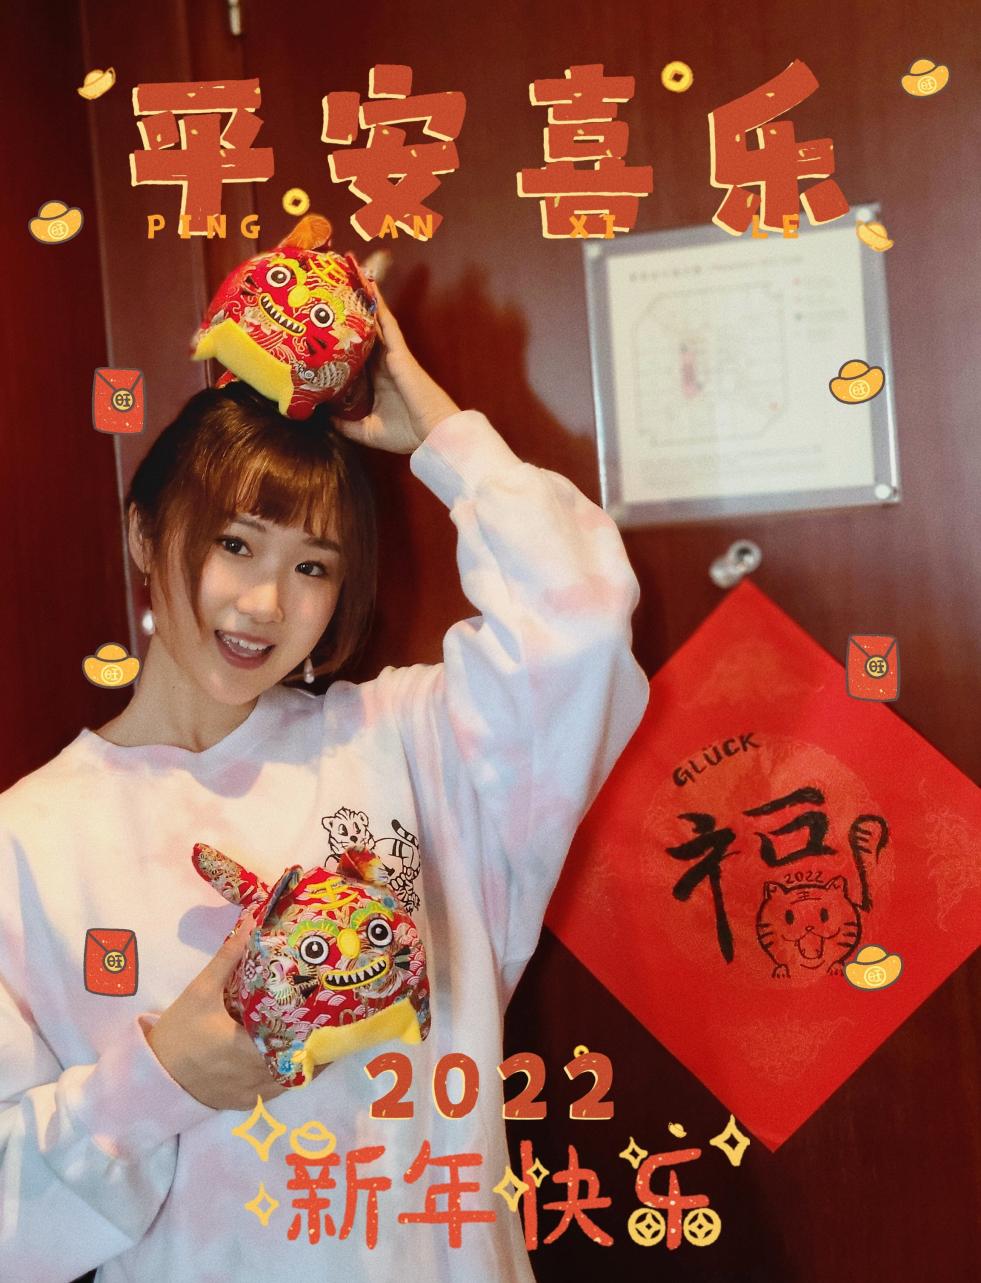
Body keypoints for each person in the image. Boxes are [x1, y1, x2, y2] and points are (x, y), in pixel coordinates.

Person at [0, 282, 649, 1282]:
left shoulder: (412, 742)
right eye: (235, 544)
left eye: (313, 566)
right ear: (144, 535)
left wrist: (438, 431)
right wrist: (163, 1079)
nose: (266, 602)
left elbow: (581, 620)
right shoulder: (30, 838)